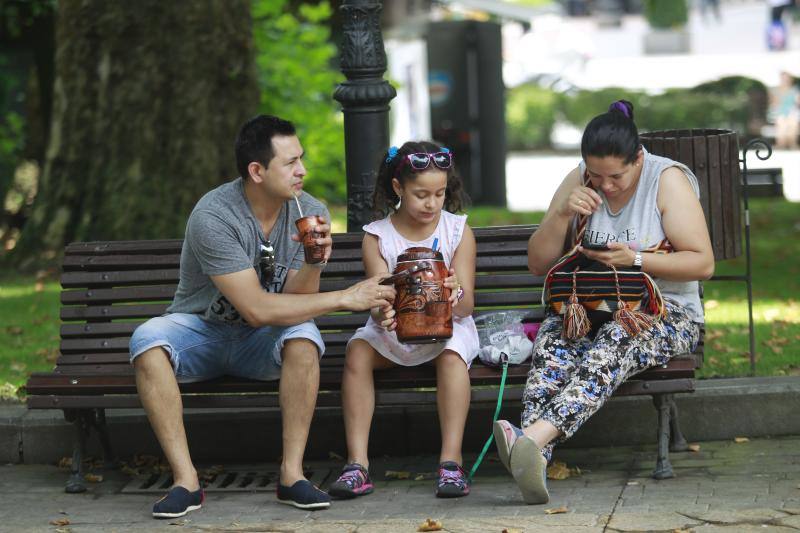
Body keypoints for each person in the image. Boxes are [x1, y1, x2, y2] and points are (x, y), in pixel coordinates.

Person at [129, 115, 396, 518]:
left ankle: (291, 475)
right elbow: (254, 309)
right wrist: (345, 297)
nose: (302, 171)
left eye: (301, 159)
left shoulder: (308, 209)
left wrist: (313, 262)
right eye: (290, 163)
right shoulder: (214, 215)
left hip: (261, 339)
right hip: (203, 329)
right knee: (147, 340)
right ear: (257, 171)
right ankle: (186, 481)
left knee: (304, 337)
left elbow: (295, 301)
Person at [494, 100, 714, 504]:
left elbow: (703, 263)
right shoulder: (580, 179)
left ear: (638, 159)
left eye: (616, 176)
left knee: (615, 341)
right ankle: (533, 463)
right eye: (596, 175)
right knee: (553, 346)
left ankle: (531, 439)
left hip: (664, 312)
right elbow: (538, 263)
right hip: (587, 308)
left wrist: (636, 259)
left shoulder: (665, 180)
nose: (605, 185)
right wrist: (562, 213)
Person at [327, 141, 480, 499]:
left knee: (452, 354)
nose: (432, 203)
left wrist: (453, 293)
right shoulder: (377, 236)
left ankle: (451, 463)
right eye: (421, 194)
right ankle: (357, 464)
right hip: (396, 328)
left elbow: (467, 306)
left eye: (440, 193)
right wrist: (385, 309)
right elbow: (379, 301)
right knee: (358, 353)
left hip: (447, 326)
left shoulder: (457, 231)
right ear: (398, 188)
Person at [770, 70, 800, 149]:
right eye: (783, 78)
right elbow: (774, 103)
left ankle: (792, 143)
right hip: (781, 112)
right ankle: (781, 144)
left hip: (792, 112)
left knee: (793, 123)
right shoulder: (776, 90)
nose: (785, 80)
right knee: (781, 124)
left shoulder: (794, 90)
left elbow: (797, 102)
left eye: (786, 78)